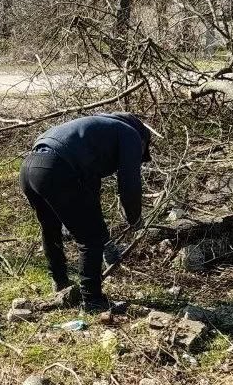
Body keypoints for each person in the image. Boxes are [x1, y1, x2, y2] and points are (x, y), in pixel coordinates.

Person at [20, 112, 152, 311]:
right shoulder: (132, 135)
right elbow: (129, 183)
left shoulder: (94, 134)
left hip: (30, 168)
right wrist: (135, 219)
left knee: (50, 228)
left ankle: (61, 284)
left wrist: (106, 242)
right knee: (89, 240)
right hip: (56, 168)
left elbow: (90, 201)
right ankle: (93, 301)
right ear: (143, 140)